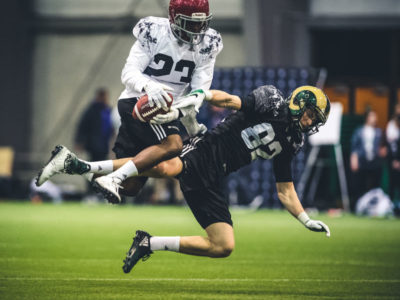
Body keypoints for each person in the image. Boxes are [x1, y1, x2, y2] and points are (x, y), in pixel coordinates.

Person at [35, 85, 332, 273]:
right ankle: (81, 166)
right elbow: (230, 100)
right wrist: (202, 95)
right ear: (298, 103)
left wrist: (306, 220)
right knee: (166, 167)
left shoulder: (293, 140)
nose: (309, 123)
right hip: (207, 149)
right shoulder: (272, 101)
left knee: (223, 245)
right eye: (309, 116)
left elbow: (285, 189)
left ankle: (148, 243)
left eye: (314, 121)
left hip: (216, 175)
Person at [35, 0, 223, 204]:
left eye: (201, 23)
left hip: (169, 109)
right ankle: (114, 177)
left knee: (131, 187)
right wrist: (150, 87)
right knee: (173, 145)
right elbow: (129, 72)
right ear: (174, 19)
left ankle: (73, 165)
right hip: (140, 101)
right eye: (190, 23)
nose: (197, 30)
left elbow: (199, 91)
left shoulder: (208, 43)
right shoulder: (154, 32)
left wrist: (183, 115)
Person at [350, 110, 386, 207]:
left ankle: (374, 207)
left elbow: (383, 145)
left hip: (375, 161)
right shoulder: (359, 131)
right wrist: (354, 159)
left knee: (375, 186)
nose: (374, 118)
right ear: (367, 117)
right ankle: (358, 206)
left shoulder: (378, 131)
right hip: (362, 161)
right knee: (360, 184)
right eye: (372, 116)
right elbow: (354, 147)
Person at [386, 103, 400, 203]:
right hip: (392, 158)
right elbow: (388, 142)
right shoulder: (391, 124)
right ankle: (391, 205)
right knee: (392, 182)